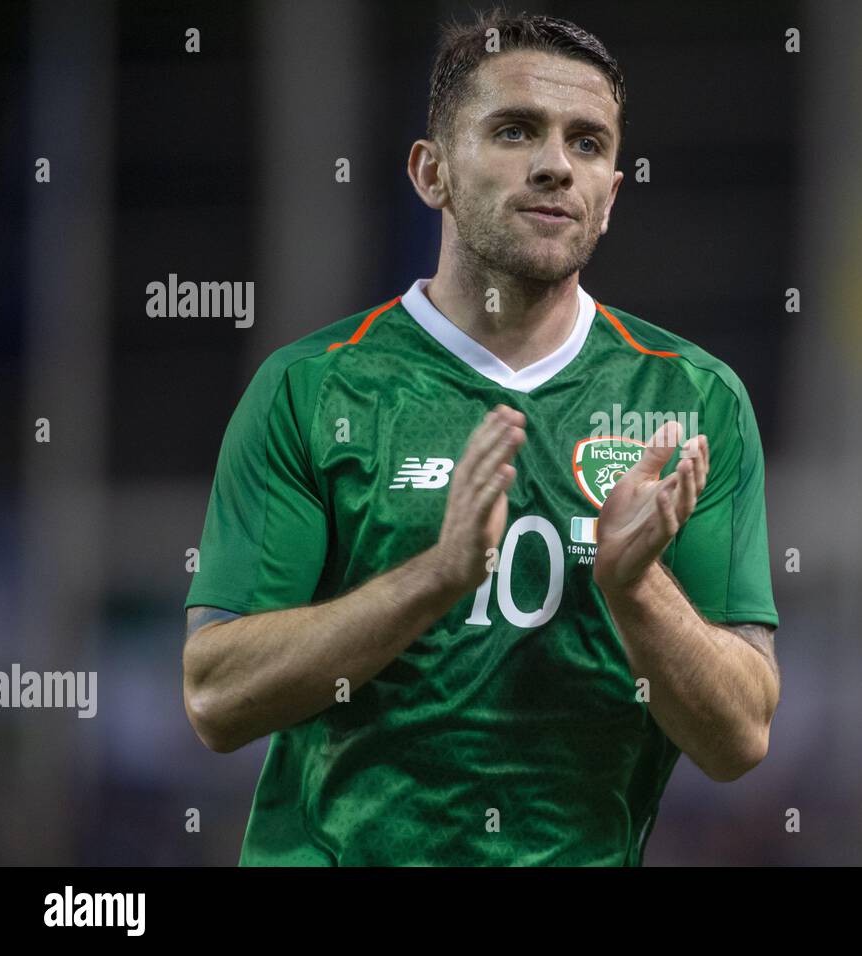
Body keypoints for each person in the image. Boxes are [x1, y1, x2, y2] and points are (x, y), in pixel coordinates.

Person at [182, 8, 780, 866]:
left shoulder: (691, 401)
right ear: (432, 173)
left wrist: (634, 586)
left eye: (587, 143)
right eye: (513, 131)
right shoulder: (312, 390)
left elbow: (740, 738)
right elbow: (215, 698)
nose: (553, 166)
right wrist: (436, 577)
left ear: (610, 195)